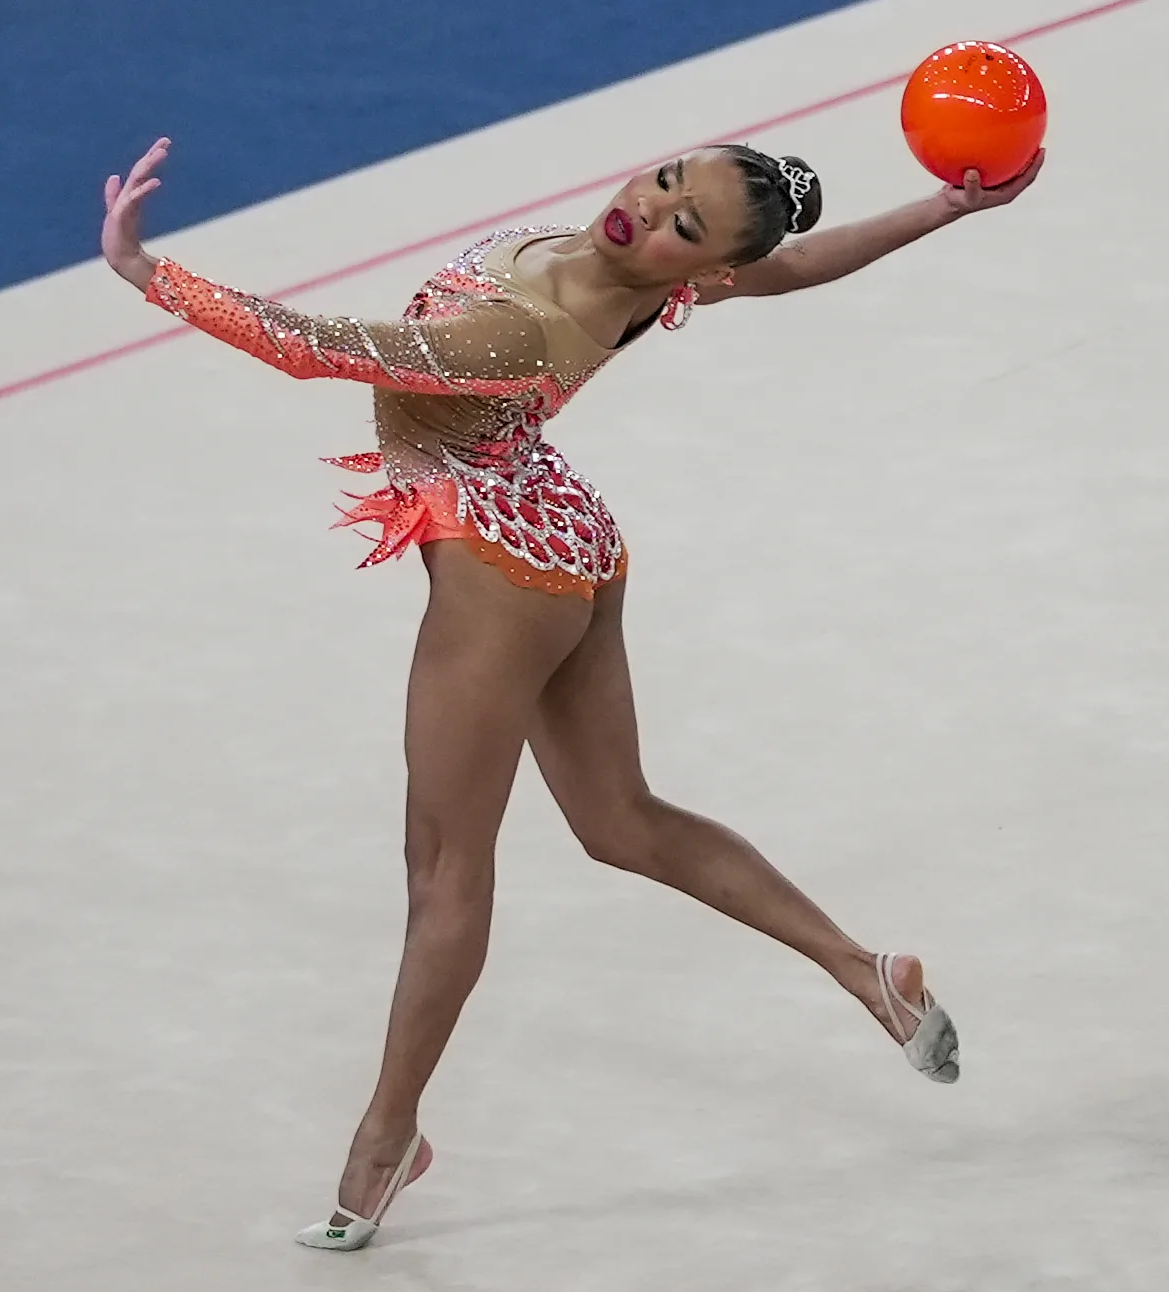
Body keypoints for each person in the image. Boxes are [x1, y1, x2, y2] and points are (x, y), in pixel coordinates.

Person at [99, 132, 1044, 1250]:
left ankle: (385, 1138)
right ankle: (866, 970)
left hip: (501, 563)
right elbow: (782, 266)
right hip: (554, 525)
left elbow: (318, 348)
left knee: (444, 869)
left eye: (681, 228)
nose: (645, 212)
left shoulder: (518, 330)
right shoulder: (652, 275)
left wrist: (147, 271)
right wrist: (941, 209)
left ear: (693, 271)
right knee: (620, 820)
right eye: (664, 182)